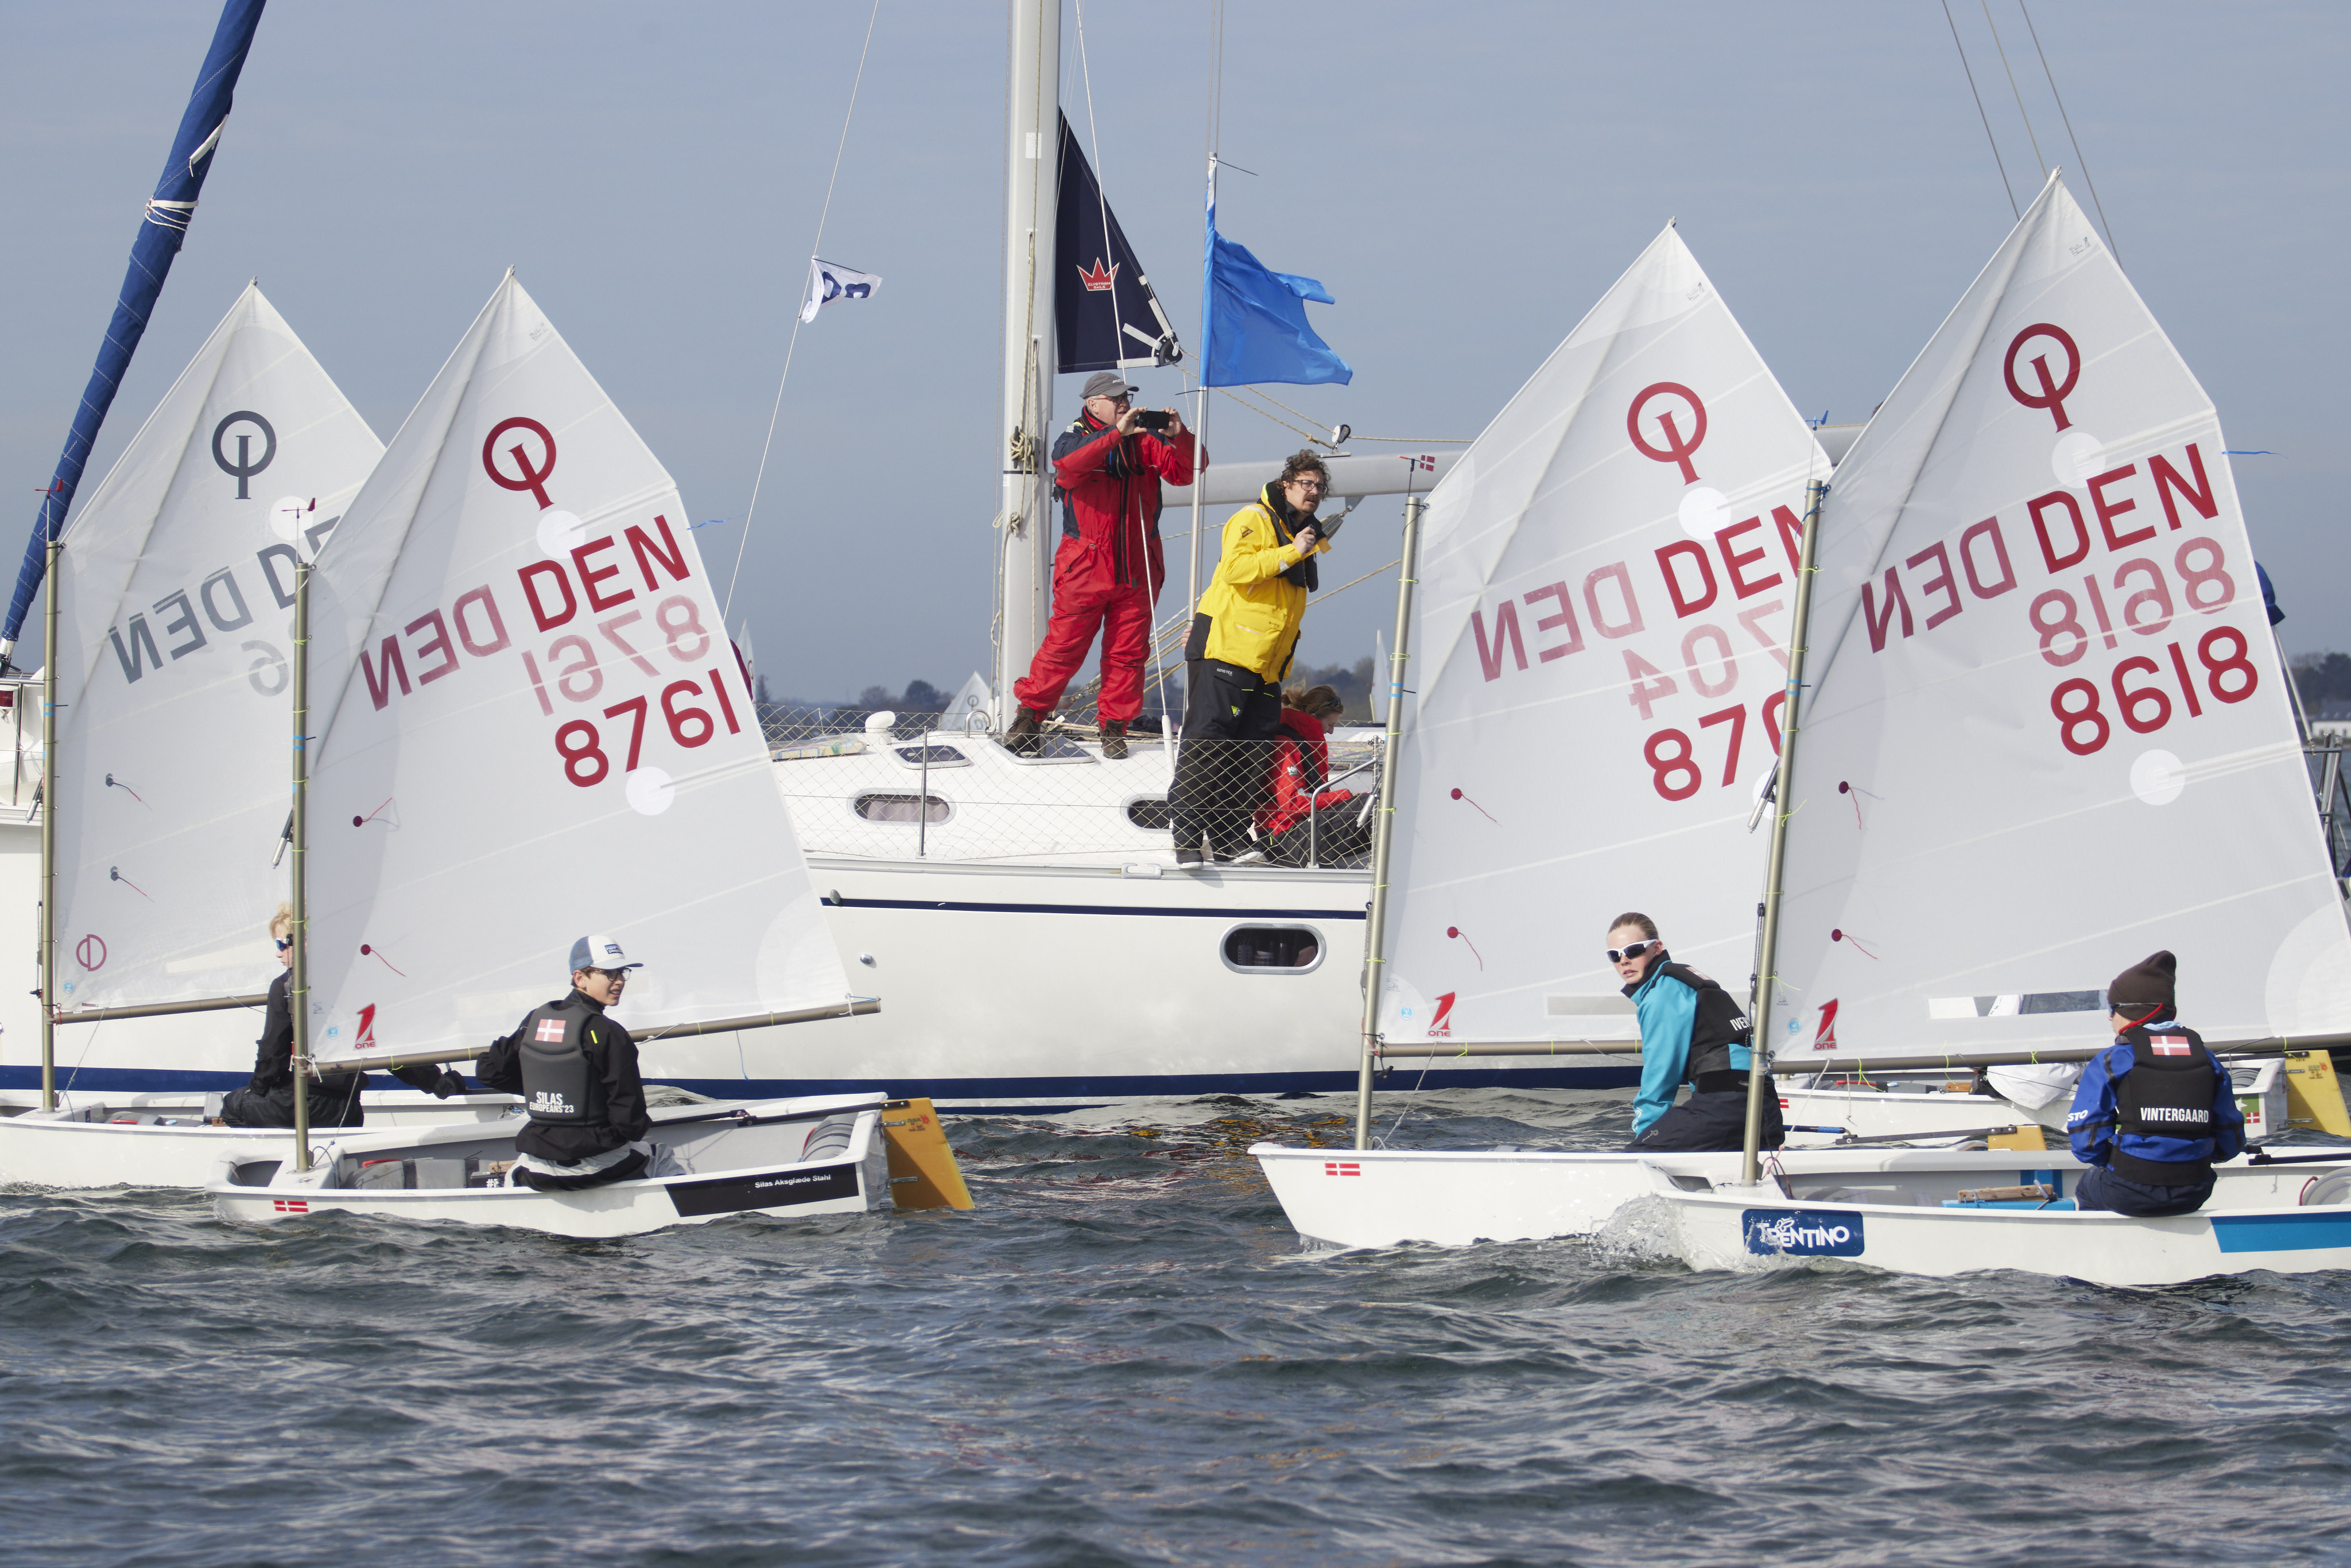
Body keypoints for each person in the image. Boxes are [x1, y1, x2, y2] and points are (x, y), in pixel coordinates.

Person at [1007, 371, 1202, 760]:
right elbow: (1068, 463)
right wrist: (1116, 434)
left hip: (1138, 566)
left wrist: (1180, 436)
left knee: (1128, 653)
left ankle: (1114, 727)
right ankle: (1029, 719)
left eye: (1126, 397)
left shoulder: (1147, 439)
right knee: (1064, 646)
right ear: (1093, 404)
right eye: (1116, 399)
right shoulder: (1074, 437)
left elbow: (1187, 473)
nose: (1125, 403)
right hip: (1086, 565)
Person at [1170, 451, 1333, 866]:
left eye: (1319, 486)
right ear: (1285, 485)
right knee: (1208, 744)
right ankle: (1186, 837)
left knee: (1252, 753)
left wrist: (1299, 547)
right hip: (1227, 650)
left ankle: (1229, 840)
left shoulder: (1304, 535)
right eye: (1306, 483)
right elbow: (1235, 569)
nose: (1314, 492)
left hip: (1266, 665)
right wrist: (1293, 551)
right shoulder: (1255, 519)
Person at [218, 904, 466, 1128]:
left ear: (304, 942)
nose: (278, 954)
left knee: (232, 1106)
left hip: (303, 1104)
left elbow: (273, 1054)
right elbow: (391, 1052)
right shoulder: (357, 985)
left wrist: (257, 1089)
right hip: (348, 1111)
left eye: (282, 944)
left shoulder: (285, 987)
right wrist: (439, 1084)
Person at [2066, 950, 2244, 1217]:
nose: (2110, 1017)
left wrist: (2115, 1163)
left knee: (2088, 1185)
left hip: (2129, 1189)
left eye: (2113, 1008)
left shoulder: (2112, 1060)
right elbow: (2230, 1139)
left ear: (2131, 1011)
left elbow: (2086, 1142)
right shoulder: (2207, 1059)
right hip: (2194, 1190)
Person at [474, 935, 655, 1191]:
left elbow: (490, 1072)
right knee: (659, 1154)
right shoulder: (608, 1032)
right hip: (595, 1169)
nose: (619, 981)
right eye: (609, 973)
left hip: (537, 1168)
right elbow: (630, 1122)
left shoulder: (536, 1020)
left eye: (622, 972)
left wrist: (547, 1091)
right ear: (580, 978)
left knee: (516, 1170)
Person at [1611, 913, 1784, 1152]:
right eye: (1615, 955)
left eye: (1633, 950)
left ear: (1657, 948)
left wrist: (1644, 1140)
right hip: (1765, 1109)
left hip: (1728, 1107)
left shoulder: (1661, 996)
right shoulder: (1688, 979)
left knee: (1637, 1154)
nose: (1624, 960)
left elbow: (1659, 1078)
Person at [1257, 684, 1371, 867]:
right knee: (1372, 805)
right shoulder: (1286, 746)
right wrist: (1346, 796)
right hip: (1283, 839)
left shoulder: (1301, 743)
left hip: (1295, 832)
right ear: (1313, 718)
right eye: (1331, 725)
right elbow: (1294, 802)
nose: (1332, 732)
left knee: (1373, 802)